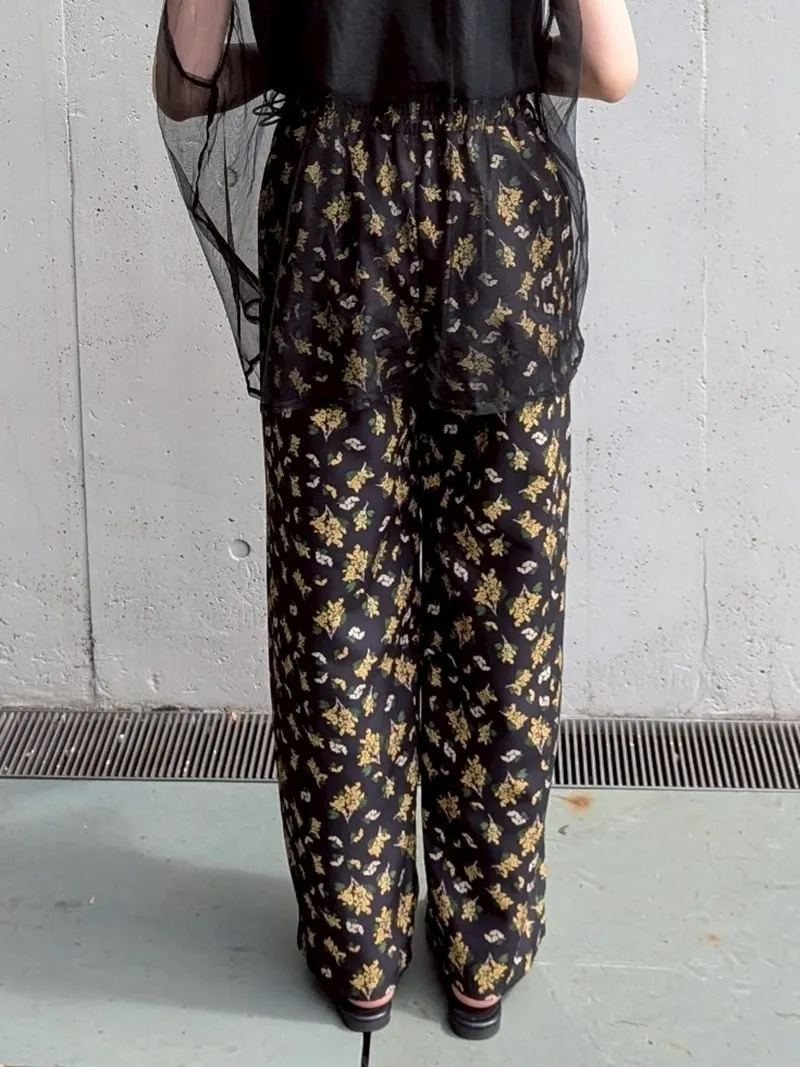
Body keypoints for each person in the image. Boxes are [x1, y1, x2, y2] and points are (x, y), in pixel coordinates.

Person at [154, 0, 637, 1041]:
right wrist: (499, 58)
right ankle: (481, 956)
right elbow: (609, 69)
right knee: (503, 609)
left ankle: (360, 948)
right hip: (501, 225)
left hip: (332, 223)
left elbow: (186, 82)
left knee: (337, 606)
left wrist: (308, 65)